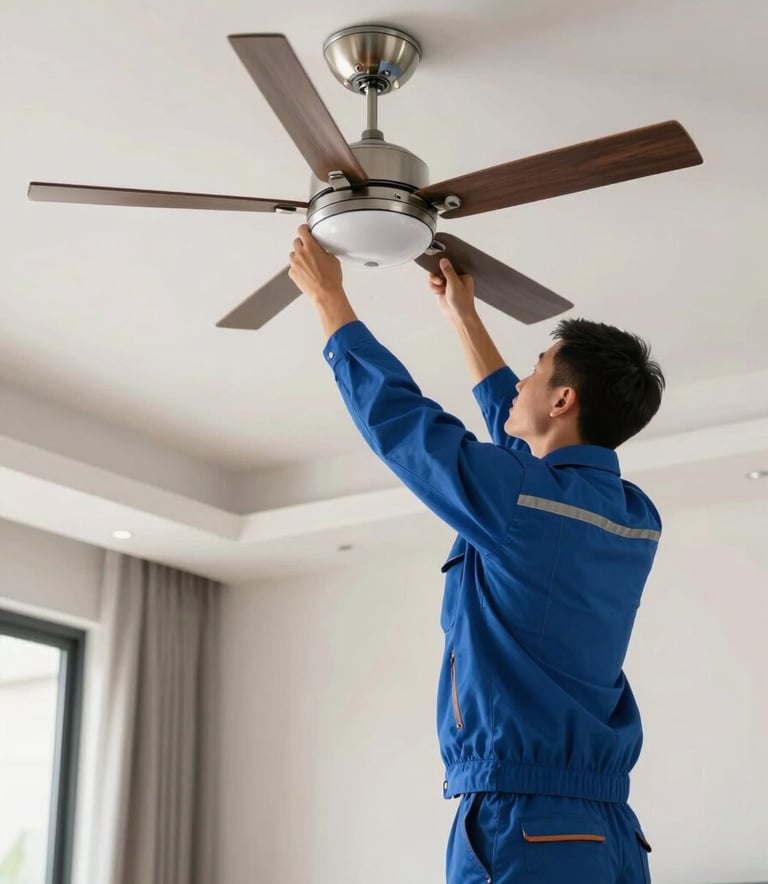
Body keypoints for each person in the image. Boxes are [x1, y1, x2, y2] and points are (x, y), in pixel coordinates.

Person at [288, 224, 662, 884]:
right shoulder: (631, 517)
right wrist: (462, 316)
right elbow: (523, 448)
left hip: (524, 824)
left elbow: (406, 428)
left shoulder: (524, 504)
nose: (520, 380)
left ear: (563, 399)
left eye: (537, 371)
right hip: (607, 831)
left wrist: (329, 301)